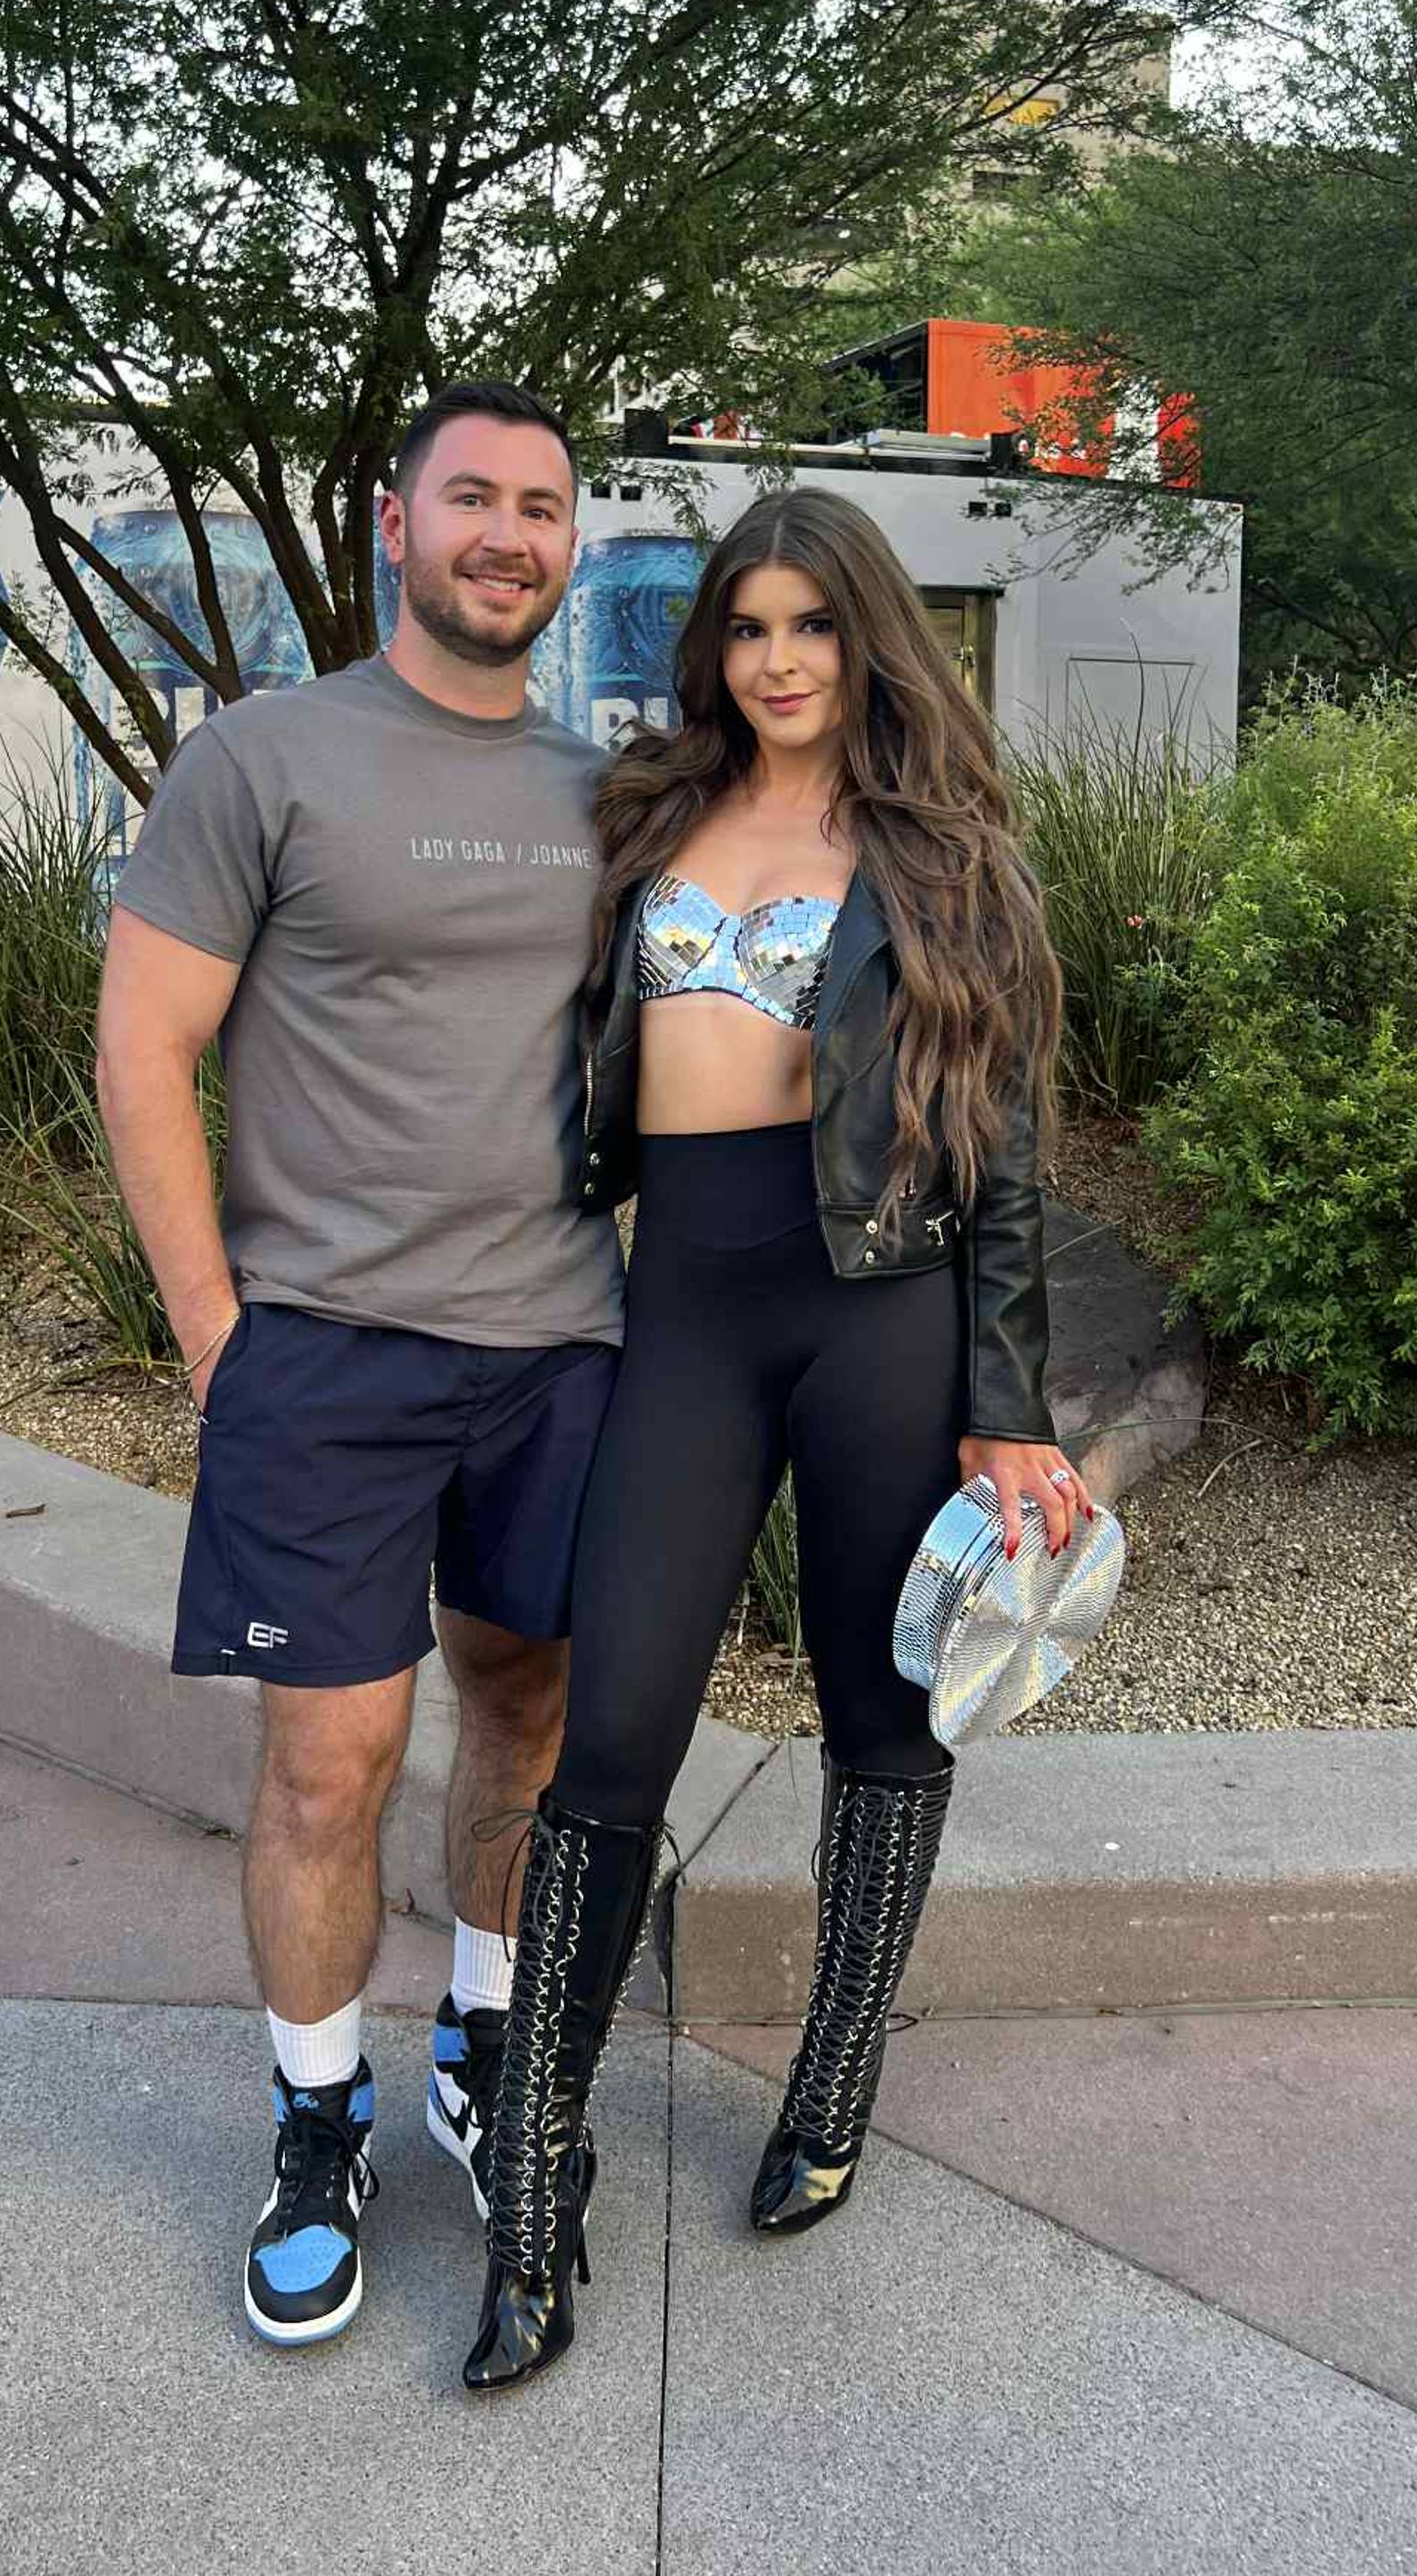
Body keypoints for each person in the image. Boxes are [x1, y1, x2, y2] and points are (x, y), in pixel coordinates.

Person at [462, 486, 1091, 2391]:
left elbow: (1002, 1152)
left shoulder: (946, 854)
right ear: (712, 648)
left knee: (879, 1707)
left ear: (867, 638)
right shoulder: (648, 815)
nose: (778, 660)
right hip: (685, 1308)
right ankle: (538, 2169)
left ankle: (833, 2072)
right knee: (614, 1730)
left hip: (878, 1312)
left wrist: (1006, 1409)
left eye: (812, 625)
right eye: (747, 627)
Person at [95, 379, 623, 2349]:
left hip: (560, 1349)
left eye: (541, 508)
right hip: (323, 1354)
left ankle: (481, 2048)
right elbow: (144, 1043)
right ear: (397, 525)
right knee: (331, 1759)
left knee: (529, 1719)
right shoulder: (265, 759)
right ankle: (316, 2121)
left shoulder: (609, 795)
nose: (507, 535)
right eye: (471, 497)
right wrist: (216, 1337)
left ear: (567, 548)